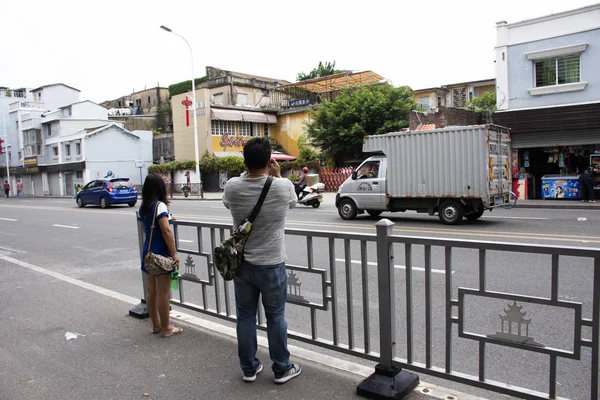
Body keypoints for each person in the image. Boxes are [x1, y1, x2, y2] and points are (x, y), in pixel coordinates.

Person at [222, 137, 301, 384]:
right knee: (276, 316)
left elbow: (227, 203)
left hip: (242, 264)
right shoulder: (283, 186)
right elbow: (293, 202)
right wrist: (276, 176)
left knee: (245, 317)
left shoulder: (232, 186)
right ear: (270, 161)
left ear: (244, 162)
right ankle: (281, 368)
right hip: (272, 263)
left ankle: (249, 368)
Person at [138, 173, 182, 338]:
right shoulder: (160, 206)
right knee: (163, 293)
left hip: (148, 253)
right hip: (160, 254)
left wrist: (168, 217)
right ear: (160, 189)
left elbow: (146, 228)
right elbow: (165, 231)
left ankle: (156, 325)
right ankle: (166, 328)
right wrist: (175, 253)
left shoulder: (142, 207)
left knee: (151, 291)